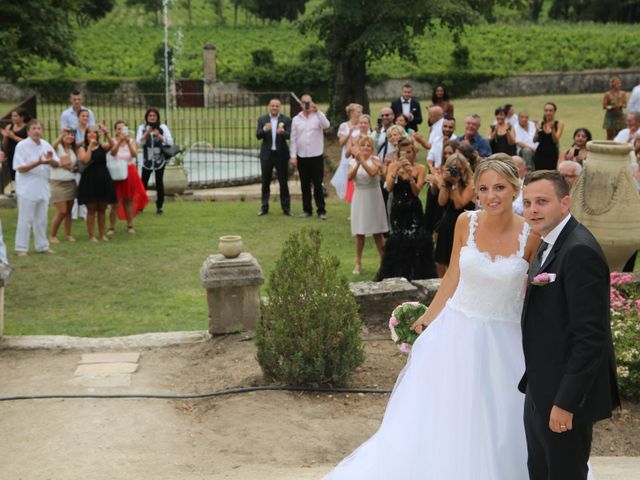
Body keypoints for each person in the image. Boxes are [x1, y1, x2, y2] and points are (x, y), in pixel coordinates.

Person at [326, 156, 538, 480]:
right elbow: (452, 276)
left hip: (506, 341)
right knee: (446, 414)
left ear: (514, 188)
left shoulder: (531, 236)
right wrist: (426, 319)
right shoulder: (466, 223)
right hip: (458, 332)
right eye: (483, 188)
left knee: (501, 417)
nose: (491, 195)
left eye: (499, 187)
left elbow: (538, 291)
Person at [521, 170, 620, 480]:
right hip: (540, 387)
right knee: (540, 471)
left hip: (564, 396)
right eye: (526, 203)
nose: (533, 209)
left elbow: (591, 338)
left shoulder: (579, 251)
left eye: (541, 201)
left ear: (564, 203)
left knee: (564, 474)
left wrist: (566, 402)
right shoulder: (548, 241)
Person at [376, 137, 436, 281]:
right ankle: (397, 274)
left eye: (409, 152)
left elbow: (416, 192)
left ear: (414, 153)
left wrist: (410, 176)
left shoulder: (420, 168)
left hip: (413, 210)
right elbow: (389, 188)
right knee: (398, 241)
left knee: (416, 240)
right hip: (397, 210)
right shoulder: (392, 166)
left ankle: (416, 274)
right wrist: (395, 170)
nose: (407, 155)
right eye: (403, 153)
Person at [12, 119, 60, 256]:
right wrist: (38, 162)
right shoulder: (22, 146)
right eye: (33, 128)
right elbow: (20, 168)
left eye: (39, 128)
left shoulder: (46, 145)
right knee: (25, 219)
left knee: (41, 219)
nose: (37, 131)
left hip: (43, 187)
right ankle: (21, 248)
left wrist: (50, 161)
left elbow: (57, 163)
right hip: (27, 188)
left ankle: (42, 246)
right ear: (28, 131)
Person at [347, 136, 388, 275]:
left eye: (368, 146)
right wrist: (358, 163)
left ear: (372, 148)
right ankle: (358, 262)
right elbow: (349, 177)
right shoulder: (353, 162)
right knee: (360, 232)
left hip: (374, 196)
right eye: (363, 146)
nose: (365, 148)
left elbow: (372, 172)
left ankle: (384, 261)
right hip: (360, 196)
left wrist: (362, 161)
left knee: (378, 232)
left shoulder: (376, 160)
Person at [433, 152, 476, 277]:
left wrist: (455, 184)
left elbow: (459, 204)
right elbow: (442, 202)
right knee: (441, 261)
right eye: (453, 168)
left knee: (458, 262)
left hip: (463, 226)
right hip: (447, 225)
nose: (456, 172)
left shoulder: (470, 183)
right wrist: (444, 184)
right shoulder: (448, 182)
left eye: (459, 169)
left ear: (465, 167)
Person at [290, 94, 330, 220]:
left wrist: (318, 111)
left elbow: (327, 125)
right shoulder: (296, 119)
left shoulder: (318, 116)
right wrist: (293, 156)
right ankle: (307, 210)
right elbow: (293, 139)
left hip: (316, 155)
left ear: (312, 102)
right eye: (304, 102)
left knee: (318, 184)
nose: (306, 105)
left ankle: (321, 210)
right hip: (302, 156)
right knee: (304, 185)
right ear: (301, 104)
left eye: (308, 102)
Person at [108, 121, 148, 235]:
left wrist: (127, 142)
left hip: (129, 171)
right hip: (116, 172)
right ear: (115, 130)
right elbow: (113, 153)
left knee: (128, 199)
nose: (120, 131)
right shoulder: (112, 140)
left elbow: (134, 154)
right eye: (118, 128)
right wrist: (119, 142)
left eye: (123, 128)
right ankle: (111, 227)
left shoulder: (131, 141)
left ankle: (130, 225)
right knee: (115, 202)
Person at [77, 125, 116, 241]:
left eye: (94, 133)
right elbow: (85, 160)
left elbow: (112, 145)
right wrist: (90, 146)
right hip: (90, 179)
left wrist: (107, 133)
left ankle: (102, 234)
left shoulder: (102, 146)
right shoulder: (82, 148)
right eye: (89, 133)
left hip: (103, 177)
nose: (92, 134)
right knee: (91, 208)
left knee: (102, 209)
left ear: (97, 135)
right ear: (86, 135)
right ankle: (92, 235)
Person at [256, 99, 292, 215]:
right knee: (265, 182)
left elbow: (290, 135)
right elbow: (258, 135)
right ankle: (264, 207)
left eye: (277, 106)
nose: (274, 107)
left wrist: (283, 132)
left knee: (283, 183)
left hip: (281, 155)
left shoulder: (286, 119)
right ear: (269, 107)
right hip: (267, 155)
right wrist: (265, 129)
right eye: (272, 105)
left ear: (280, 107)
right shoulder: (262, 119)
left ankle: (286, 208)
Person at [137, 108, 174, 216]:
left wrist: (159, 135)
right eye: (150, 116)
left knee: (159, 183)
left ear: (157, 117)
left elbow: (170, 142)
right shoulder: (142, 128)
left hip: (159, 159)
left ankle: (159, 207)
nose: (152, 118)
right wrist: (147, 133)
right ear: (146, 117)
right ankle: (140, 206)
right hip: (147, 160)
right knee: (143, 183)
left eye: (154, 116)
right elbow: (139, 142)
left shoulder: (162, 127)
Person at [49, 129, 79, 243]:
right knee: (62, 211)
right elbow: (51, 148)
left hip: (70, 181)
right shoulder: (58, 148)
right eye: (68, 134)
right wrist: (61, 135)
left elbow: (73, 165)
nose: (70, 136)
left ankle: (68, 234)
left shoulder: (72, 150)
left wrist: (73, 168)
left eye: (72, 135)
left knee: (69, 211)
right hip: (58, 182)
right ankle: (52, 235)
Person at [343, 112, 371, 203]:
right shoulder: (353, 137)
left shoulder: (372, 137)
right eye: (361, 123)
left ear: (369, 124)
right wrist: (355, 143)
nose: (363, 125)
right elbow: (347, 155)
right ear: (358, 124)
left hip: (368, 164)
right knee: (355, 192)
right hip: (356, 165)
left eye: (365, 123)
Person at [1, 107, 30, 189]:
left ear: (22, 117)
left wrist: (13, 137)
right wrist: (6, 136)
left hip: (24, 155)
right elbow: (4, 144)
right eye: (12, 116)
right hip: (12, 154)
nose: (13, 118)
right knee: (13, 174)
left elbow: (29, 142)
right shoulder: (9, 126)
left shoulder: (27, 128)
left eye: (15, 116)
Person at [533, 103, 564, 171]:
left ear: (554, 112)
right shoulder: (541, 123)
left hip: (552, 153)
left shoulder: (559, 124)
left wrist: (552, 129)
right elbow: (534, 140)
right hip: (540, 152)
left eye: (550, 110)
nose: (548, 113)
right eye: (546, 110)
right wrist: (537, 130)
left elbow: (555, 140)